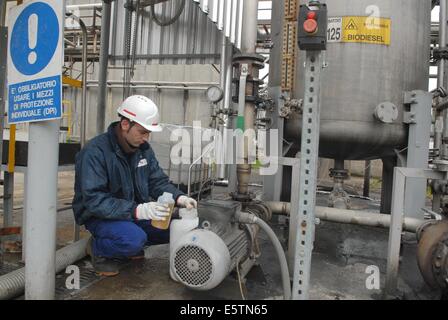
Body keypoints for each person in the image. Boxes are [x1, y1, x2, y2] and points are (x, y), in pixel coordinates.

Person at [72, 95, 197, 276]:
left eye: (148, 133)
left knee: (179, 226)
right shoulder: (95, 152)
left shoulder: (143, 150)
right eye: (142, 131)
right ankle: (98, 248)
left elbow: (157, 182)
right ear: (125, 125)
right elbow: (94, 200)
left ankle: (129, 240)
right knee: (133, 240)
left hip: (132, 211)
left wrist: (180, 198)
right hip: (99, 215)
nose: (146, 138)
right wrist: (138, 211)